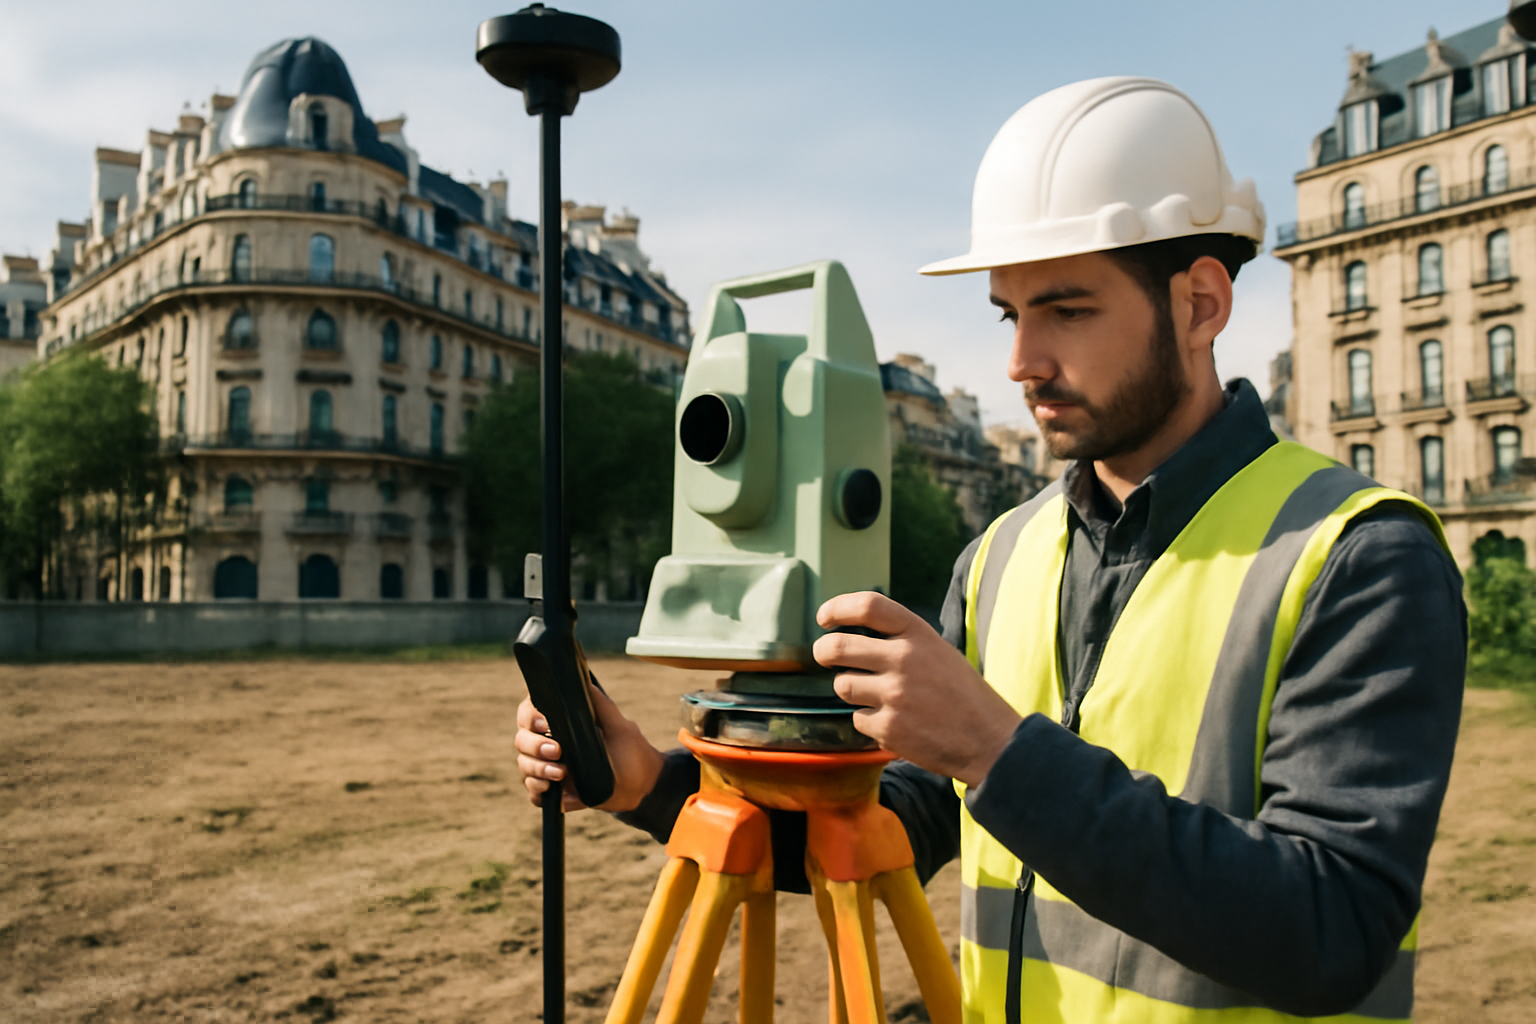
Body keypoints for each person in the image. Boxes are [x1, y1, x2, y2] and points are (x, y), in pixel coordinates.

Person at [516, 77, 1465, 1023]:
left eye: (1068, 310)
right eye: (1012, 315)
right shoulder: (1004, 555)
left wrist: (995, 748)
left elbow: (1330, 933)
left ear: (1201, 303)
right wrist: (648, 783)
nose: (1022, 362)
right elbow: (888, 834)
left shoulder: (1357, 557)